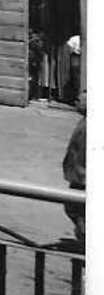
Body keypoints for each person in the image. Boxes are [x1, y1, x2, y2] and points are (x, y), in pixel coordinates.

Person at [63, 94, 86, 243]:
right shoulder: (84, 121)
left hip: (83, 178)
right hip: (78, 176)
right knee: (73, 209)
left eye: (80, 99)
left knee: (75, 209)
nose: (75, 101)